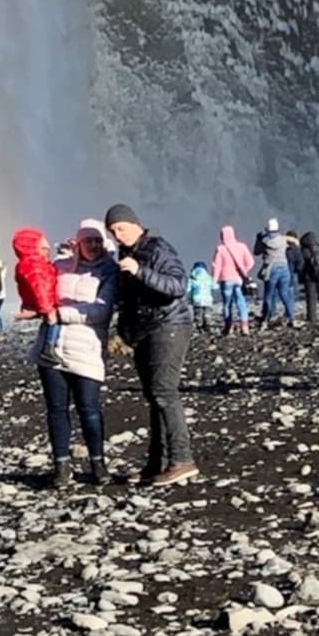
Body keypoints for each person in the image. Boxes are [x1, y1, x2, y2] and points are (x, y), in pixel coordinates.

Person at [105, 204, 197, 486]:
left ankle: (182, 459)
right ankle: (157, 463)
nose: (117, 235)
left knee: (164, 392)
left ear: (135, 224)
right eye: (112, 232)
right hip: (144, 332)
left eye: (121, 228)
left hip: (169, 327)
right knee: (153, 395)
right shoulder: (125, 255)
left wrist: (140, 272)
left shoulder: (158, 248)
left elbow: (178, 285)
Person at [40, 222, 117, 489]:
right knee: (56, 410)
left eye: (98, 240)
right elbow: (40, 289)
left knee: (89, 409)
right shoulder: (60, 266)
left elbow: (101, 311)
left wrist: (60, 313)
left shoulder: (109, 271)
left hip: (86, 348)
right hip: (52, 347)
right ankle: (61, 465)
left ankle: (98, 463)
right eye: (88, 240)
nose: (93, 245)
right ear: (78, 242)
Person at [12, 228, 62, 359]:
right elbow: (39, 288)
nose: (47, 251)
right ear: (32, 248)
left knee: (51, 322)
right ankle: (48, 348)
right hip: (47, 303)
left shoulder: (32, 264)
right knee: (53, 321)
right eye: (43, 249)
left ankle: (48, 347)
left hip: (42, 303)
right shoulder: (34, 265)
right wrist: (47, 308)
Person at [211, 225, 254, 336]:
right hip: (239, 279)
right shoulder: (242, 246)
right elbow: (250, 262)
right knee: (241, 302)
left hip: (226, 280)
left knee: (227, 304)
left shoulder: (220, 249)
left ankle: (228, 326)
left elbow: (217, 266)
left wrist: (214, 280)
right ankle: (244, 327)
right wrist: (244, 271)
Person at [254, 219, 294, 326]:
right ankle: (292, 318)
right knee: (285, 294)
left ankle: (266, 319)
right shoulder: (283, 239)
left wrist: (258, 239)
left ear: (267, 229)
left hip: (271, 270)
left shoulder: (265, 241)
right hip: (284, 269)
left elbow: (256, 251)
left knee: (269, 295)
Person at [298, 230, 319, 328]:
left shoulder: (305, 251)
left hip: (309, 277)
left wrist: (301, 277)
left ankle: (312, 317)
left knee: (311, 297)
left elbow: (301, 265)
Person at [187, 259, 218, 332]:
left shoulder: (193, 278)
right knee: (207, 313)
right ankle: (208, 325)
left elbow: (188, 289)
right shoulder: (208, 277)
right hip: (207, 300)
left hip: (197, 300)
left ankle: (199, 326)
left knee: (198, 314)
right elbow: (215, 287)